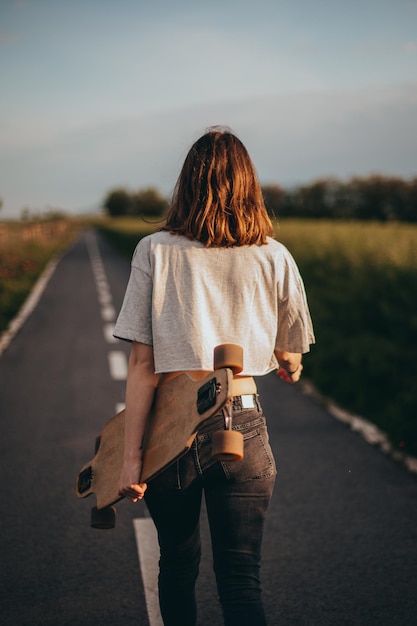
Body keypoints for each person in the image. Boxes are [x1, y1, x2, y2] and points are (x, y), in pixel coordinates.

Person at [113, 127, 314, 626]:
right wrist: (290, 364)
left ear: (187, 183)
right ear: (249, 184)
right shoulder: (275, 256)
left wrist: (130, 458)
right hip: (241, 423)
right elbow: (290, 353)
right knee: (241, 580)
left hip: (170, 431)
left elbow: (142, 366)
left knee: (178, 570)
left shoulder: (153, 251)